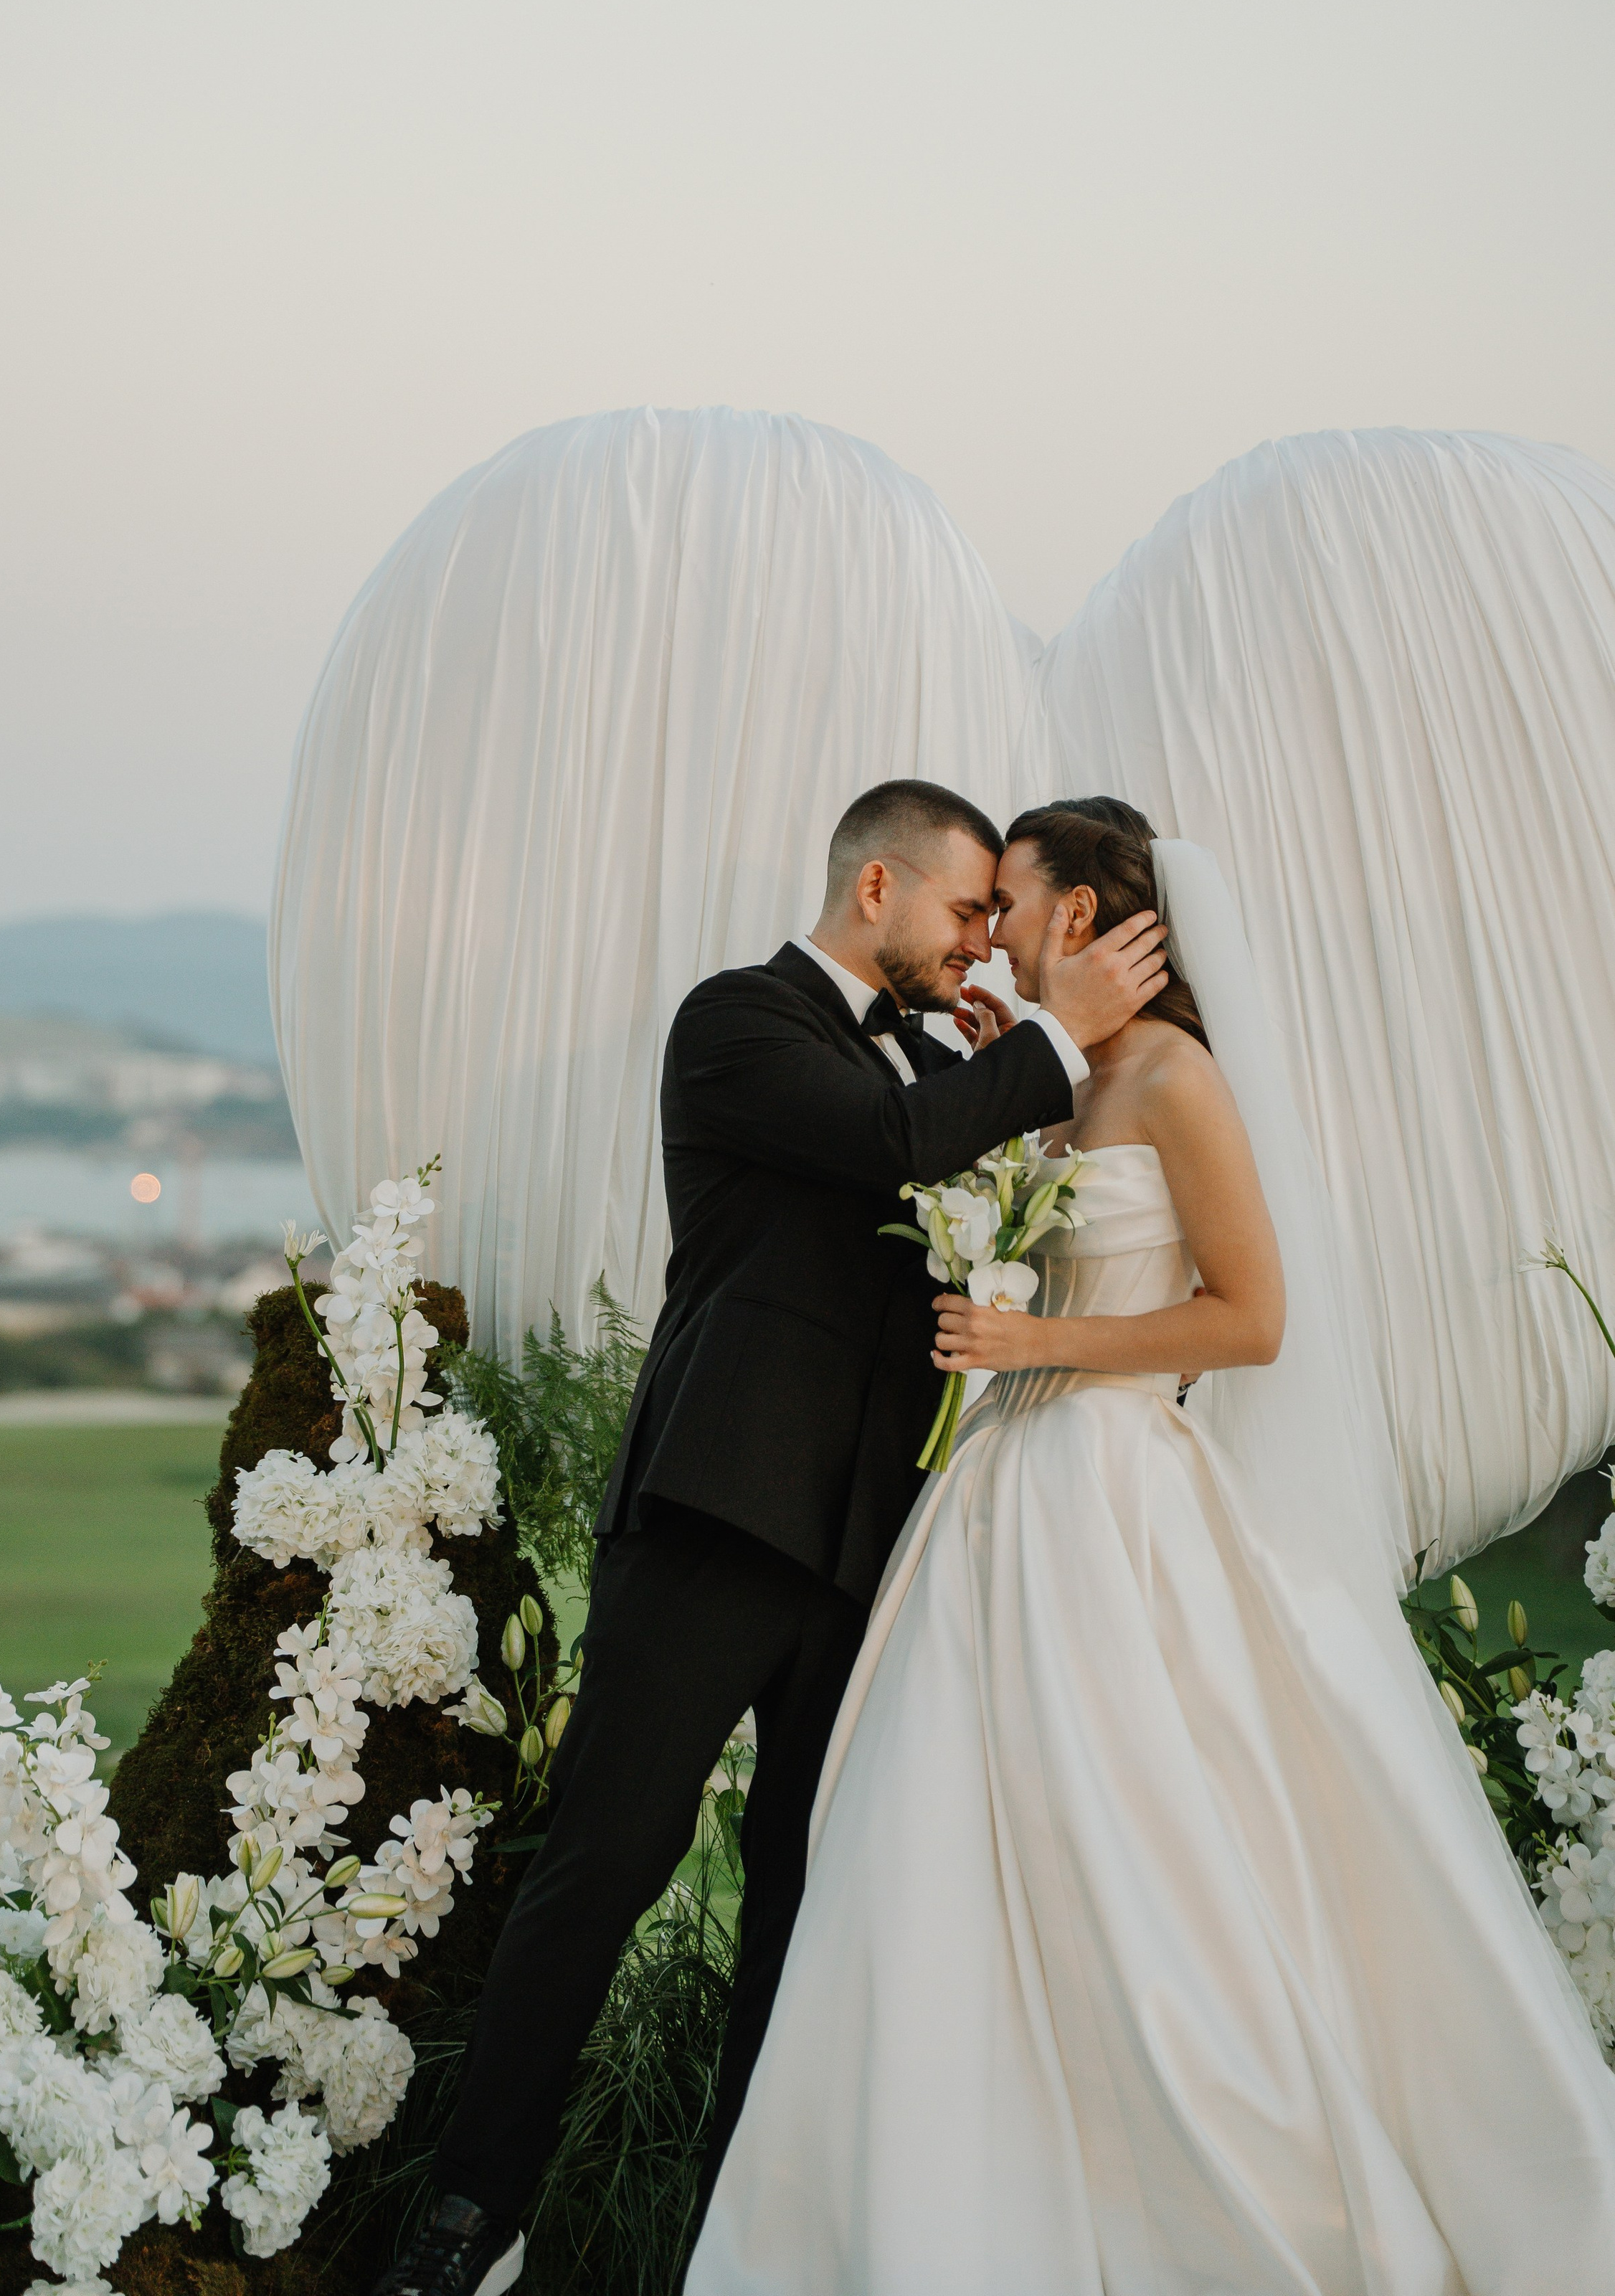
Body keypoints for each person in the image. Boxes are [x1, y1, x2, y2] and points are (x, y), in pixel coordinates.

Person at [687, 800, 1615, 2295]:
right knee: (935, 1843)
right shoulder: (1037, 1084)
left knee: (1134, 1841)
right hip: (991, 1502)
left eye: (1015, 901)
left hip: (1111, 1493)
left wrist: (1036, 1337)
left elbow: (1248, 1320)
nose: (989, 930)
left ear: (1077, 918)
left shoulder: (1177, 1078)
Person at [374, 780, 1169, 2296]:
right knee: (603, 1868)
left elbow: (957, 1173)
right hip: (716, 1523)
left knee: (802, 1909)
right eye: (962, 911)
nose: (980, 943)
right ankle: (466, 2226)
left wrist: (1019, 1081)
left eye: (999, 921)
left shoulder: (952, 1057)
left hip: (871, 1552)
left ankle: (735, 2250)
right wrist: (1057, 1038)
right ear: (875, 888)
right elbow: (886, 1143)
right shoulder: (733, 1020)